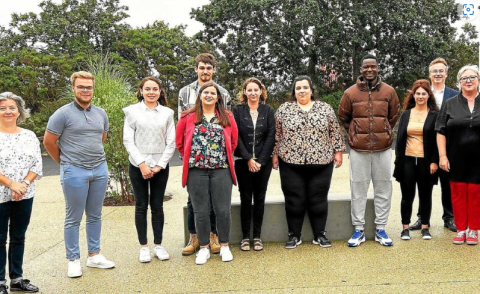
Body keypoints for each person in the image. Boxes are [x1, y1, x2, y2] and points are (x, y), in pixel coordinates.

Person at [44, 71, 115, 278]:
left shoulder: (101, 113)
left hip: (99, 169)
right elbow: (49, 142)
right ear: (73, 88)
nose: (85, 90)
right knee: (73, 217)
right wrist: (66, 162)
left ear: (93, 88)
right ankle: (73, 259)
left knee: (95, 215)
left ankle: (94, 255)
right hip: (74, 171)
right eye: (81, 87)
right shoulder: (62, 114)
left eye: (89, 87)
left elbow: (101, 138)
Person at [273, 75, 346, 249]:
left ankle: (319, 234)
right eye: (298, 88)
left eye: (305, 87)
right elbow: (276, 133)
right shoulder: (284, 109)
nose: (302, 91)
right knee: (294, 200)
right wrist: (274, 154)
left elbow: (334, 131)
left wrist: (338, 152)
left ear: (311, 90)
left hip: (321, 162)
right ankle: (294, 235)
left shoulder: (324, 108)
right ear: (294, 91)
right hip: (290, 162)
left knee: (318, 199)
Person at [338, 54, 400, 247]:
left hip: (383, 149)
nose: (369, 70)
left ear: (378, 68)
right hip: (358, 150)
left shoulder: (389, 91)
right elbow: (343, 117)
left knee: (383, 189)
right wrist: (357, 132)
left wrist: (384, 132)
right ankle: (359, 230)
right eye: (366, 67)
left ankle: (381, 229)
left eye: (373, 66)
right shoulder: (350, 93)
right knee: (358, 189)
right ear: (361, 70)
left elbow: (394, 115)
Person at [176, 82, 238, 265]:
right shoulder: (187, 117)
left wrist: (220, 158)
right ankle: (203, 248)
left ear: (218, 97)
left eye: (213, 93)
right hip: (197, 171)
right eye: (206, 92)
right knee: (200, 210)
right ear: (200, 96)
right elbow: (180, 142)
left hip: (221, 169)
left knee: (222, 210)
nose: (209, 95)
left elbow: (233, 142)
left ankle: (224, 245)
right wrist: (192, 156)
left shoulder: (227, 117)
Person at [123, 77, 175, 263]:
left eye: (155, 89)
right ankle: (143, 246)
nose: (151, 92)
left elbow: (171, 142)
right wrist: (142, 164)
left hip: (161, 164)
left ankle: (158, 245)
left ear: (160, 91)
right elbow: (128, 140)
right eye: (147, 89)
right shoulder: (131, 112)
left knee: (157, 205)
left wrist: (160, 165)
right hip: (138, 165)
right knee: (141, 205)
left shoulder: (168, 113)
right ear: (141, 90)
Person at [410, 58, 458, 232]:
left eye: (441, 71)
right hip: (425, 146)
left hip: (448, 145)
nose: (438, 74)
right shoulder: (423, 92)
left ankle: (449, 217)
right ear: (430, 74)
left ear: (446, 74)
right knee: (424, 184)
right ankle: (422, 218)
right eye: (434, 71)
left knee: (448, 184)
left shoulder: (455, 94)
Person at [0, 92, 42, 293]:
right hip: (0, 194)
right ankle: (0, 282)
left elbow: (37, 164)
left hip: (25, 193)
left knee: (18, 236)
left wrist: (23, 184)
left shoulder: (29, 135)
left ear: (19, 111)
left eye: (11, 108)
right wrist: (11, 184)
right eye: (2, 108)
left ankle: (17, 278)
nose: (7, 111)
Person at [436, 65, 480, 245]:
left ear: (478, 80)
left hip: (479, 160)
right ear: (459, 82)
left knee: (476, 193)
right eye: (464, 78)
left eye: (472, 77)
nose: (468, 81)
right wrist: (442, 156)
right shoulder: (450, 103)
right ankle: (461, 229)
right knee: (458, 193)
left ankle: (474, 230)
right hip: (455, 157)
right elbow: (440, 131)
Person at [393, 80, 439, 241]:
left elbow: (436, 141)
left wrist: (434, 161)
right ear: (413, 95)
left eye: (423, 93)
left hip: (427, 162)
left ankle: (425, 227)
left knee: (425, 195)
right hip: (408, 161)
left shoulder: (434, 115)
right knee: (407, 196)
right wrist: (398, 160)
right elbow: (399, 139)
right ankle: (405, 228)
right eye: (417, 93)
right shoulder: (406, 114)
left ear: (428, 95)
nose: (420, 96)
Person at [233, 78, 275, 251]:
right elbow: (235, 136)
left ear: (261, 91)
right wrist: (248, 158)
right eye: (249, 90)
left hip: (263, 164)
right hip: (243, 163)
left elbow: (271, 135)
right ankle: (244, 237)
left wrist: (260, 161)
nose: (252, 93)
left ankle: (257, 237)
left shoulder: (268, 110)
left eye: (255, 90)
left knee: (259, 198)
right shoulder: (237, 110)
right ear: (244, 92)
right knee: (245, 198)